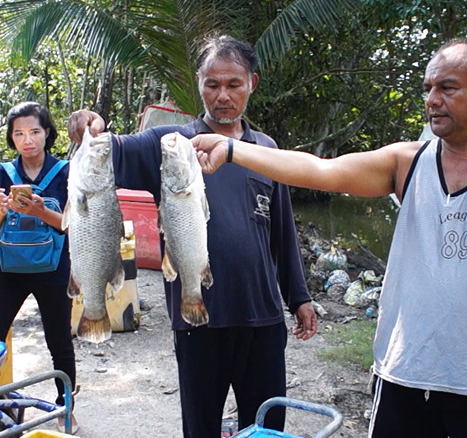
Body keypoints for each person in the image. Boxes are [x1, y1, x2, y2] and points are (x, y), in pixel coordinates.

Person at [192, 39, 467, 437]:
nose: (432, 100)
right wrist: (232, 149)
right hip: (403, 376)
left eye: (447, 88)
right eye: (427, 88)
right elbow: (321, 171)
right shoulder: (407, 163)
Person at [68, 35, 317, 437]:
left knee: (268, 427)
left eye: (234, 84)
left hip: (262, 317)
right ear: (199, 83)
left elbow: (281, 230)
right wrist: (88, 126)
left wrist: (299, 296)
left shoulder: (266, 149)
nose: (223, 95)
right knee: (200, 427)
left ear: (252, 82)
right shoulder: (169, 145)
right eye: (212, 84)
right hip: (198, 317)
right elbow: (110, 151)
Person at [0, 101, 78, 433]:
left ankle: (66, 408)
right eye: (19, 133)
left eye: (34, 131)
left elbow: (66, 224)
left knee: (59, 342)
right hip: (8, 271)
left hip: (53, 269)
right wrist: (2, 210)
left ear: (47, 133)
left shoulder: (64, 171)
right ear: (11, 137)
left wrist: (39, 212)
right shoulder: (2, 173)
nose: (27, 140)